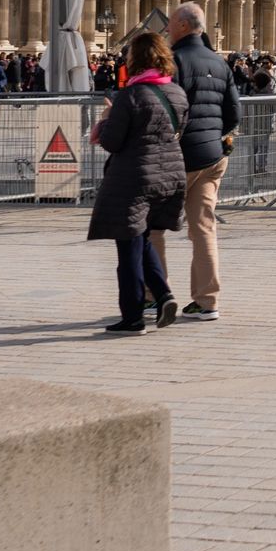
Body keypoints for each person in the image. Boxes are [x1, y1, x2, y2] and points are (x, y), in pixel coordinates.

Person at [88, 33, 187, 334]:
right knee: (141, 240)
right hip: (169, 176)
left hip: (134, 178)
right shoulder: (177, 93)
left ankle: (132, 318)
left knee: (128, 250)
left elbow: (112, 142)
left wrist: (104, 119)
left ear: (134, 60)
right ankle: (164, 294)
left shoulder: (130, 96)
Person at [152, 3, 239, 323]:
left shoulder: (174, 62)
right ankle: (206, 300)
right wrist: (214, 135)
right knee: (203, 228)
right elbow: (234, 114)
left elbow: (167, 111)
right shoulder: (220, 62)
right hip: (212, 156)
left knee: (153, 226)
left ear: (184, 26)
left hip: (178, 156)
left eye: (172, 24)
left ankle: (153, 294)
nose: (168, 30)